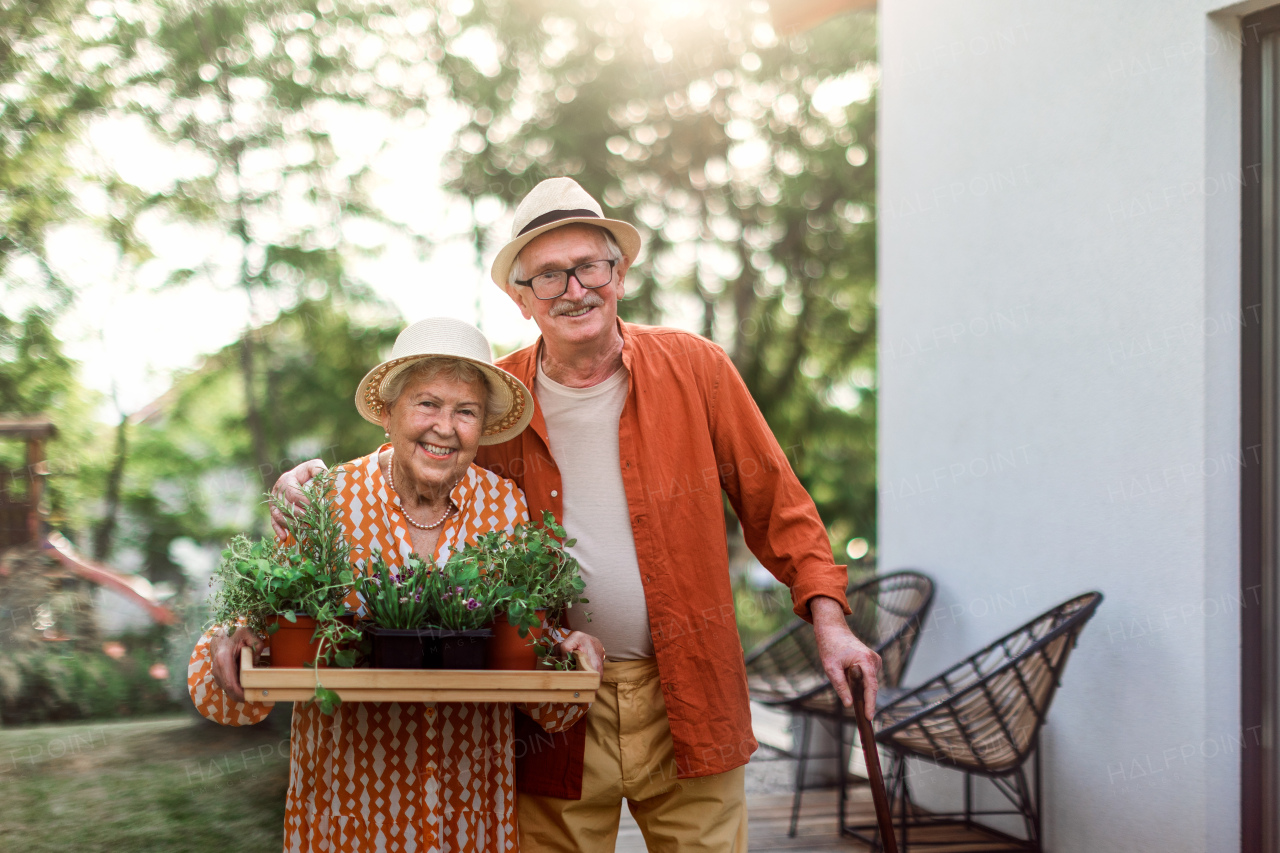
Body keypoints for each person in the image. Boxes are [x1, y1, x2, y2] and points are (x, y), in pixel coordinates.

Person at [273, 178, 881, 852]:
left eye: (589, 266)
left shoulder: (697, 368)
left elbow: (777, 499)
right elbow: (423, 451)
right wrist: (315, 484)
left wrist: (830, 621)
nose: (574, 289)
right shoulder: (495, 400)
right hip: (553, 698)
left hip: (688, 688)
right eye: (550, 274)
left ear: (617, 273)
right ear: (522, 295)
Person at [190, 317, 603, 853]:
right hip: (350, 810)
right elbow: (256, 655)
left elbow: (533, 676)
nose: (445, 427)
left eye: (466, 411)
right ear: (387, 414)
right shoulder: (326, 500)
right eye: (427, 404)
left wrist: (568, 657)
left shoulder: (503, 505)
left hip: (467, 812)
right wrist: (234, 641)